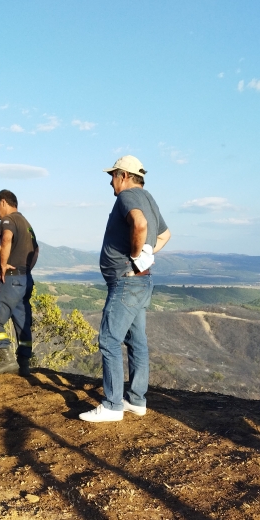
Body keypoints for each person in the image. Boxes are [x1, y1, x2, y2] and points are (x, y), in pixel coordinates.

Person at [79, 155, 171, 423]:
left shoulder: (127, 196)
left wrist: (135, 254)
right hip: (140, 281)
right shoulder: (150, 198)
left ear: (124, 176)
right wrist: (146, 256)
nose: (110, 182)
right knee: (137, 341)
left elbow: (139, 224)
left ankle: (112, 405)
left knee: (109, 339)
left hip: (127, 282)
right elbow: (165, 234)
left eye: (113, 176)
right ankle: (137, 400)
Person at [0, 189, 38, 377]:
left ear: (3, 202)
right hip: (25, 279)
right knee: (22, 322)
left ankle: (6, 359)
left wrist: (2, 265)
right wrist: (26, 268)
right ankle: (23, 364)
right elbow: (37, 249)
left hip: (11, 279)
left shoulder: (8, 220)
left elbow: (6, 238)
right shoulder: (27, 224)